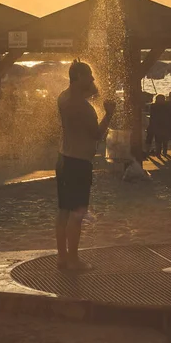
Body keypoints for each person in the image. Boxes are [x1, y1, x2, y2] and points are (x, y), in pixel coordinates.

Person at [56, 60, 115, 271]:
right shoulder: (83, 107)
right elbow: (97, 134)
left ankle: (62, 258)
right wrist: (109, 114)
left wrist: (91, 92)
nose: (92, 78)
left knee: (63, 211)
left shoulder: (63, 97)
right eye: (89, 75)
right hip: (78, 163)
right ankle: (73, 260)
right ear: (79, 77)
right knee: (78, 213)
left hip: (63, 159)